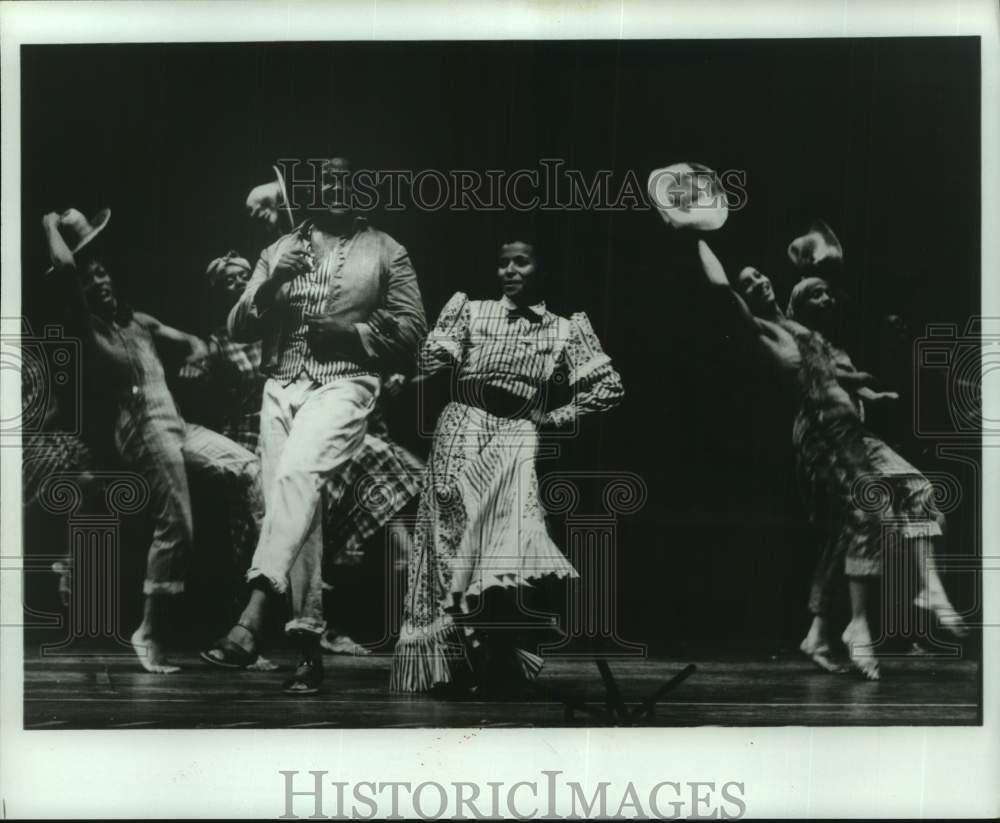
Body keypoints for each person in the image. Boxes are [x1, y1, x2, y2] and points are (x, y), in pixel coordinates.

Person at [201, 156, 427, 694]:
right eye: (327, 181)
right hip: (281, 384)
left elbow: (413, 330)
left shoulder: (387, 250)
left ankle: (253, 612)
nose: (338, 189)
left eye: (350, 180)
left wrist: (352, 336)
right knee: (297, 504)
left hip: (346, 383)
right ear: (310, 189)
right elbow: (236, 323)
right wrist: (271, 282)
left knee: (298, 477)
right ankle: (307, 650)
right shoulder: (277, 250)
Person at [699, 240, 964, 680]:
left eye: (760, 275)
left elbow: (835, 373)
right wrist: (696, 235)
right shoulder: (763, 329)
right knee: (868, 507)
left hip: (853, 429)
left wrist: (868, 390)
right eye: (749, 281)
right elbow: (720, 288)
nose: (758, 280)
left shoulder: (806, 333)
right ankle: (858, 625)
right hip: (822, 431)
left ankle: (848, 620)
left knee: (916, 488)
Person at [390, 235, 624, 694]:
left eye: (521, 262)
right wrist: (414, 367)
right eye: (503, 264)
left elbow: (608, 387)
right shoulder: (471, 310)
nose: (510, 271)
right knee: (450, 540)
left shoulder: (565, 327)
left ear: (541, 269)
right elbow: (429, 359)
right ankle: (457, 661)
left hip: (516, 437)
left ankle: (496, 654)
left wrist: (555, 415)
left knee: (506, 545)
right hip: (463, 429)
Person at [41, 207, 265, 673]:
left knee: (251, 469)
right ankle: (148, 631)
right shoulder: (93, 328)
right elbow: (64, 269)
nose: (99, 282)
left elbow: (193, 342)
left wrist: (198, 357)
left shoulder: (138, 322)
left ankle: (256, 605)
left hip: (177, 427)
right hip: (141, 429)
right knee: (177, 523)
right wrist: (47, 224)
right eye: (90, 280)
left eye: (102, 274)